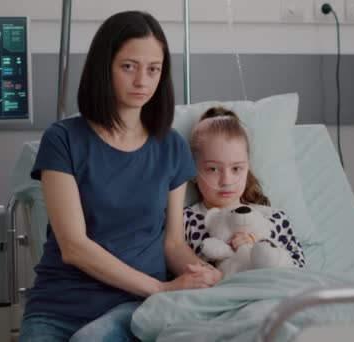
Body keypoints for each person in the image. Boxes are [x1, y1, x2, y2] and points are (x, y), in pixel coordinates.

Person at [19, 11, 222, 342]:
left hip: (134, 305)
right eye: (129, 67)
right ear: (105, 68)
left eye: (153, 69)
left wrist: (204, 274)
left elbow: (172, 243)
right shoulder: (63, 139)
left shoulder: (170, 147)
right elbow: (74, 247)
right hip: (58, 307)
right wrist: (162, 287)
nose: (143, 81)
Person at [183, 107, 306, 272]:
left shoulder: (274, 219)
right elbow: (174, 269)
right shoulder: (184, 222)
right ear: (193, 171)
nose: (226, 181)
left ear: (247, 168)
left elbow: (298, 269)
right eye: (213, 169)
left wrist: (257, 248)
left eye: (236, 169)